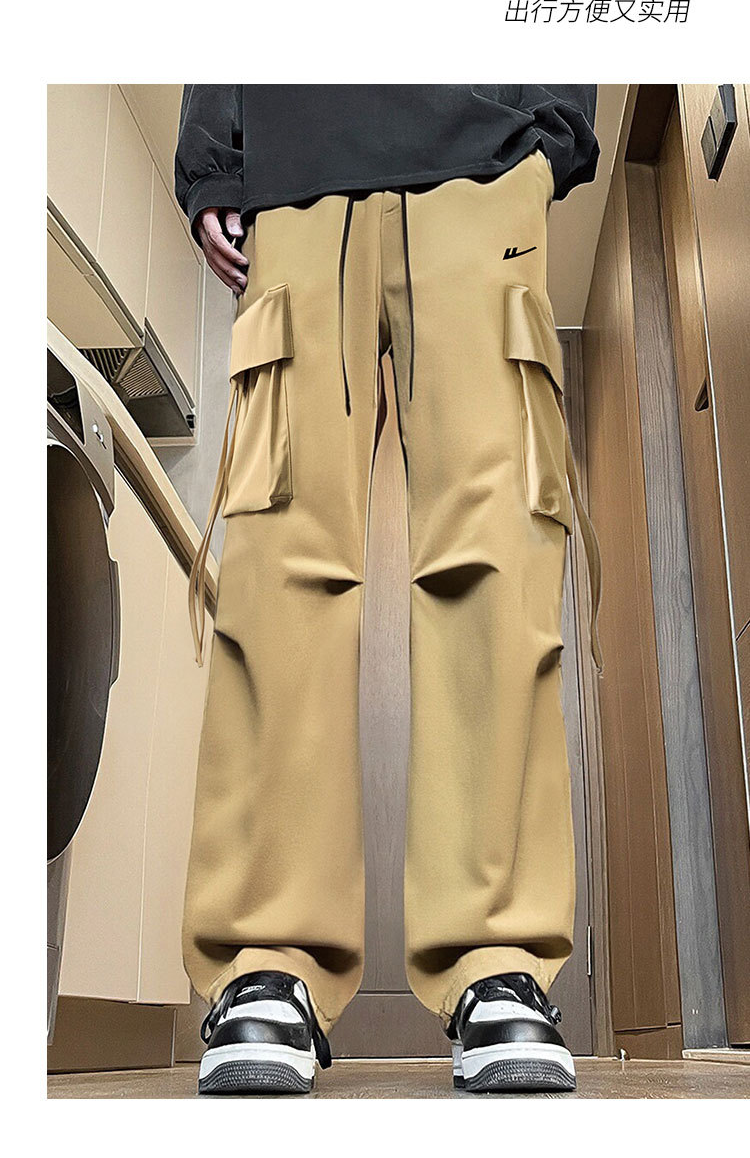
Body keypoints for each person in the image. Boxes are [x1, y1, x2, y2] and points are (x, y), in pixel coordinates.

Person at [174, 85, 602, 1096]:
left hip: (483, 147)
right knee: (279, 564)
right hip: (296, 154)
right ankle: (267, 955)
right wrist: (215, 156)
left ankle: (495, 955)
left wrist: (553, 126)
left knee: (493, 559)